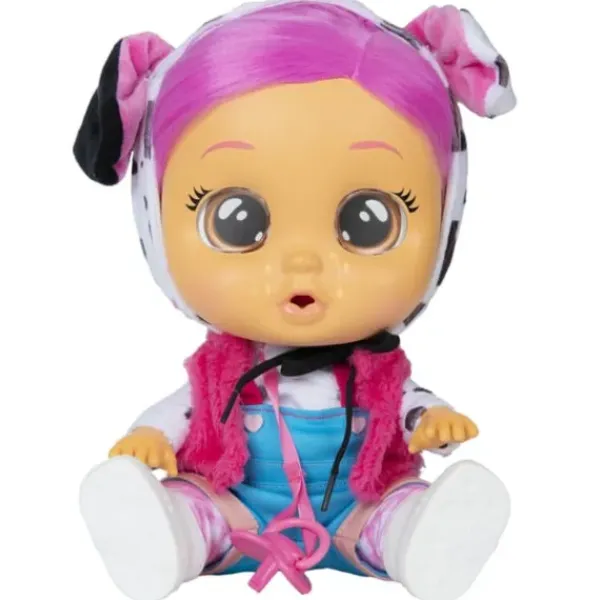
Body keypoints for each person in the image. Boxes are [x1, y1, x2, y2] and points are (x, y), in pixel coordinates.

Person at [74, 2, 517, 600]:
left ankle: (419, 539)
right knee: (191, 504)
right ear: (154, 219)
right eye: (236, 220)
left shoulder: (381, 370)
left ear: (445, 224)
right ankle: (167, 536)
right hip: (232, 505)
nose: (302, 264)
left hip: (360, 506)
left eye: (367, 222)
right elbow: (184, 410)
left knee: (400, 506)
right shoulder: (219, 371)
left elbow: (409, 405)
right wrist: (149, 436)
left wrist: (432, 421)